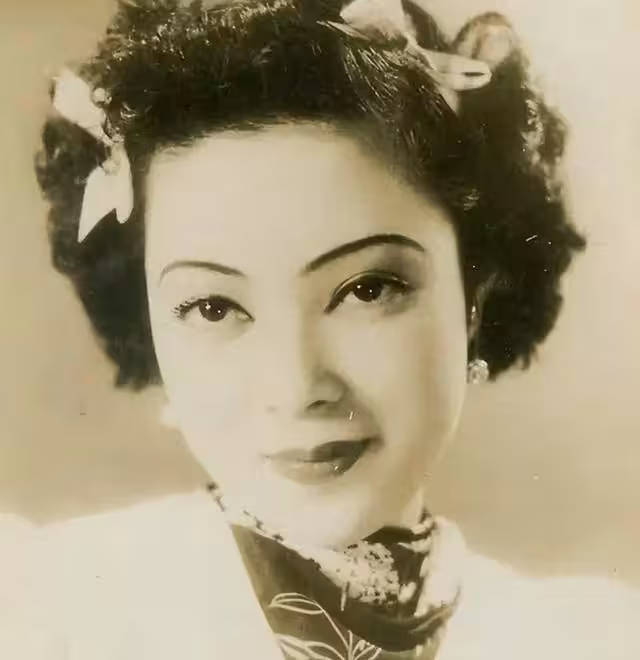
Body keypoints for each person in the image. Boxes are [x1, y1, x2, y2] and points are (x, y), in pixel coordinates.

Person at [17, 0, 636, 657]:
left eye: (368, 289)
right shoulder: (42, 611)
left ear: (474, 299)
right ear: (150, 331)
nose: (298, 385)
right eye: (213, 307)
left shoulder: (597, 637)